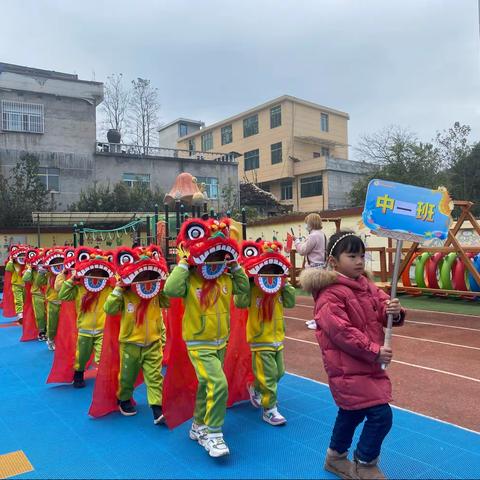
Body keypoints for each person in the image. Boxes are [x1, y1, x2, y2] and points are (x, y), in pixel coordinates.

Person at [299, 231, 405, 480]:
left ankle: (335, 458)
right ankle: (365, 463)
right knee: (381, 416)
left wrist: (394, 310)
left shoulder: (365, 284)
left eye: (362, 255)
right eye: (352, 255)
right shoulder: (329, 294)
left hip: (366, 365)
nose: (359, 261)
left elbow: (382, 308)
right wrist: (374, 351)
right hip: (348, 367)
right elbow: (341, 332)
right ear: (334, 262)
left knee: (352, 412)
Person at [293, 213, 327, 329]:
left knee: (318, 296)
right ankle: (318, 318)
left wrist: (297, 241)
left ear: (311, 223)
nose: (306, 225)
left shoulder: (313, 236)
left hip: (314, 268)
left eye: (307, 222)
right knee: (319, 296)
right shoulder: (321, 234)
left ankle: (320, 320)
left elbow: (303, 250)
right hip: (321, 267)